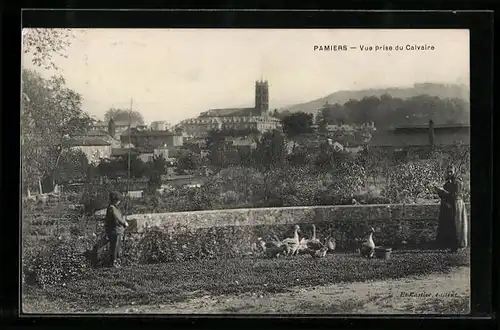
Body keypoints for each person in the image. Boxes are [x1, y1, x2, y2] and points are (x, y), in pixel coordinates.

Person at [434, 165, 468, 253]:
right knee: (450, 225)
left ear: (454, 172)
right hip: (449, 205)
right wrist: (439, 191)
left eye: (451, 172)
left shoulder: (457, 182)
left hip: (457, 204)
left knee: (457, 224)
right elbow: (443, 196)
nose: (449, 173)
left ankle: (457, 245)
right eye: (448, 172)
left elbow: (455, 195)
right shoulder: (447, 183)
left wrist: (443, 191)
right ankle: (450, 245)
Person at [105, 191, 128, 267]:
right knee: (115, 247)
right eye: (118, 201)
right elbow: (118, 217)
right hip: (115, 230)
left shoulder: (111, 207)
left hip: (113, 230)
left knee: (115, 247)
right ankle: (114, 262)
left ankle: (115, 262)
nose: (119, 202)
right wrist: (124, 222)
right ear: (115, 200)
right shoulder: (112, 208)